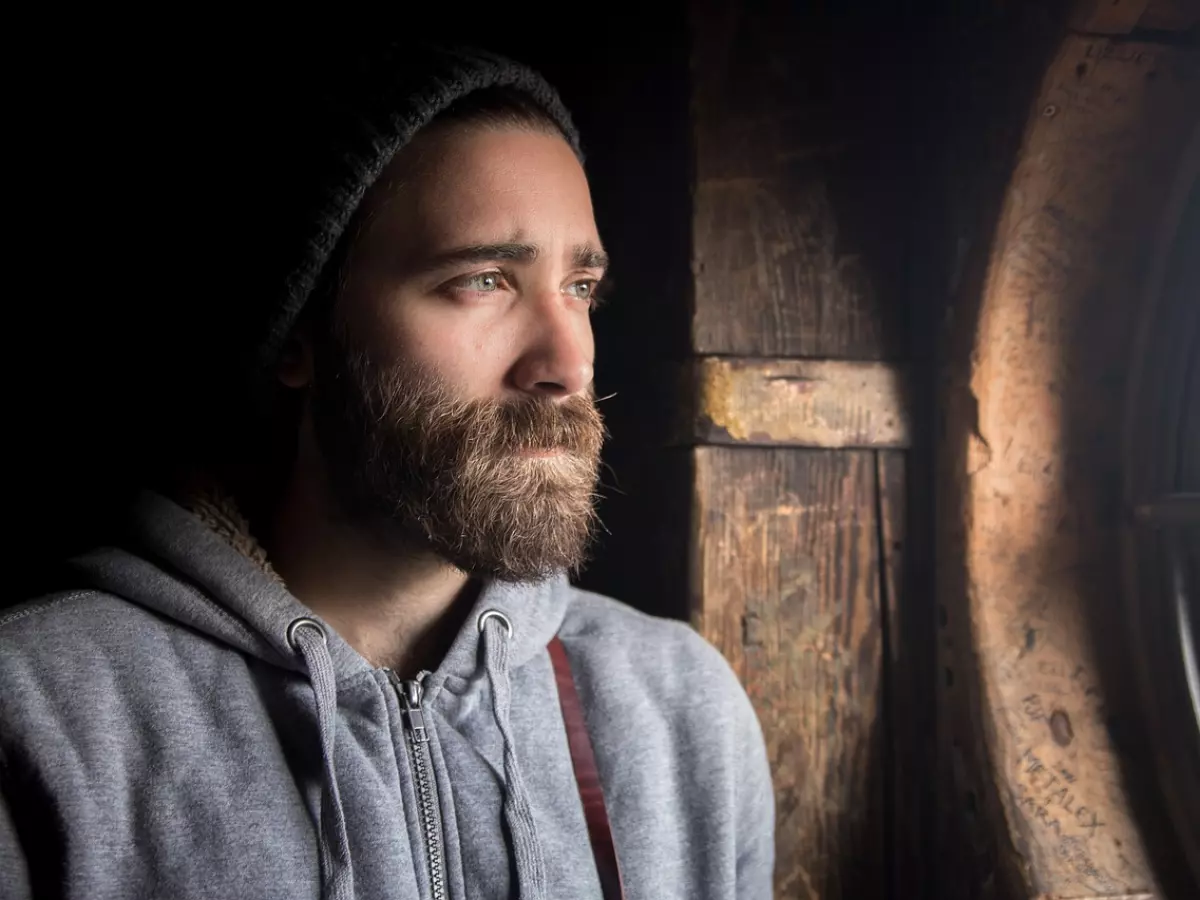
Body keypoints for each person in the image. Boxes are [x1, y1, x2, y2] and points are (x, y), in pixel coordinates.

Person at [0, 44, 774, 900]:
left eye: (580, 287)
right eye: (483, 280)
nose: (569, 362)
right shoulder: (40, 716)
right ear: (303, 334)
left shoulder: (680, 711)